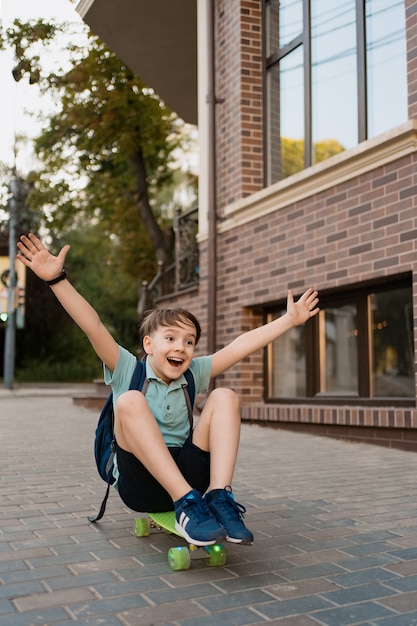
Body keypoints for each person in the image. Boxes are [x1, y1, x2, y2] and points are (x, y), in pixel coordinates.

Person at [17, 232, 319, 547]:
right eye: (171, 338)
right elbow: (93, 325)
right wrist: (57, 281)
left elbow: (239, 346)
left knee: (225, 396)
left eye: (189, 342)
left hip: (189, 472)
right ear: (149, 344)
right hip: (141, 482)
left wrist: (288, 320)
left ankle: (219, 497)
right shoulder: (127, 369)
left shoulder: (193, 373)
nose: (182, 347)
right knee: (131, 401)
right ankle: (186, 503)